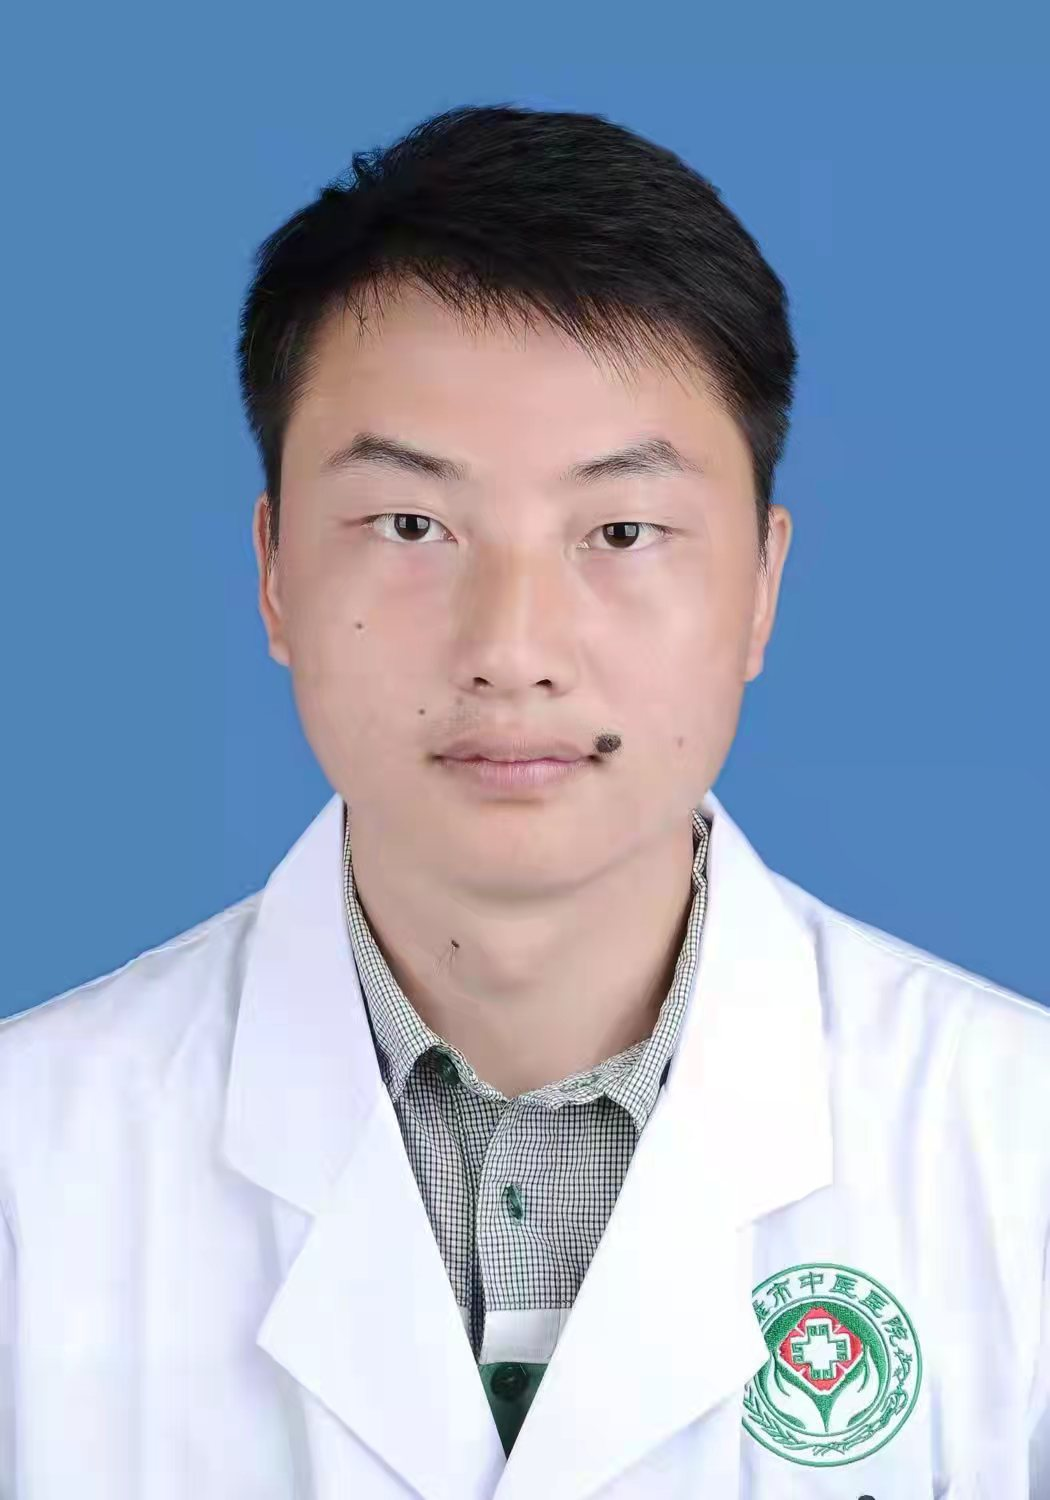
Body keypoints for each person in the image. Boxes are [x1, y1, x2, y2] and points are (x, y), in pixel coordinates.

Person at [1, 103, 1047, 1500]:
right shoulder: (29, 1171)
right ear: (273, 573)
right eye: (411, 526)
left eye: (619, 530)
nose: (512, 646)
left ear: (760, 585)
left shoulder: (1017, 1151)